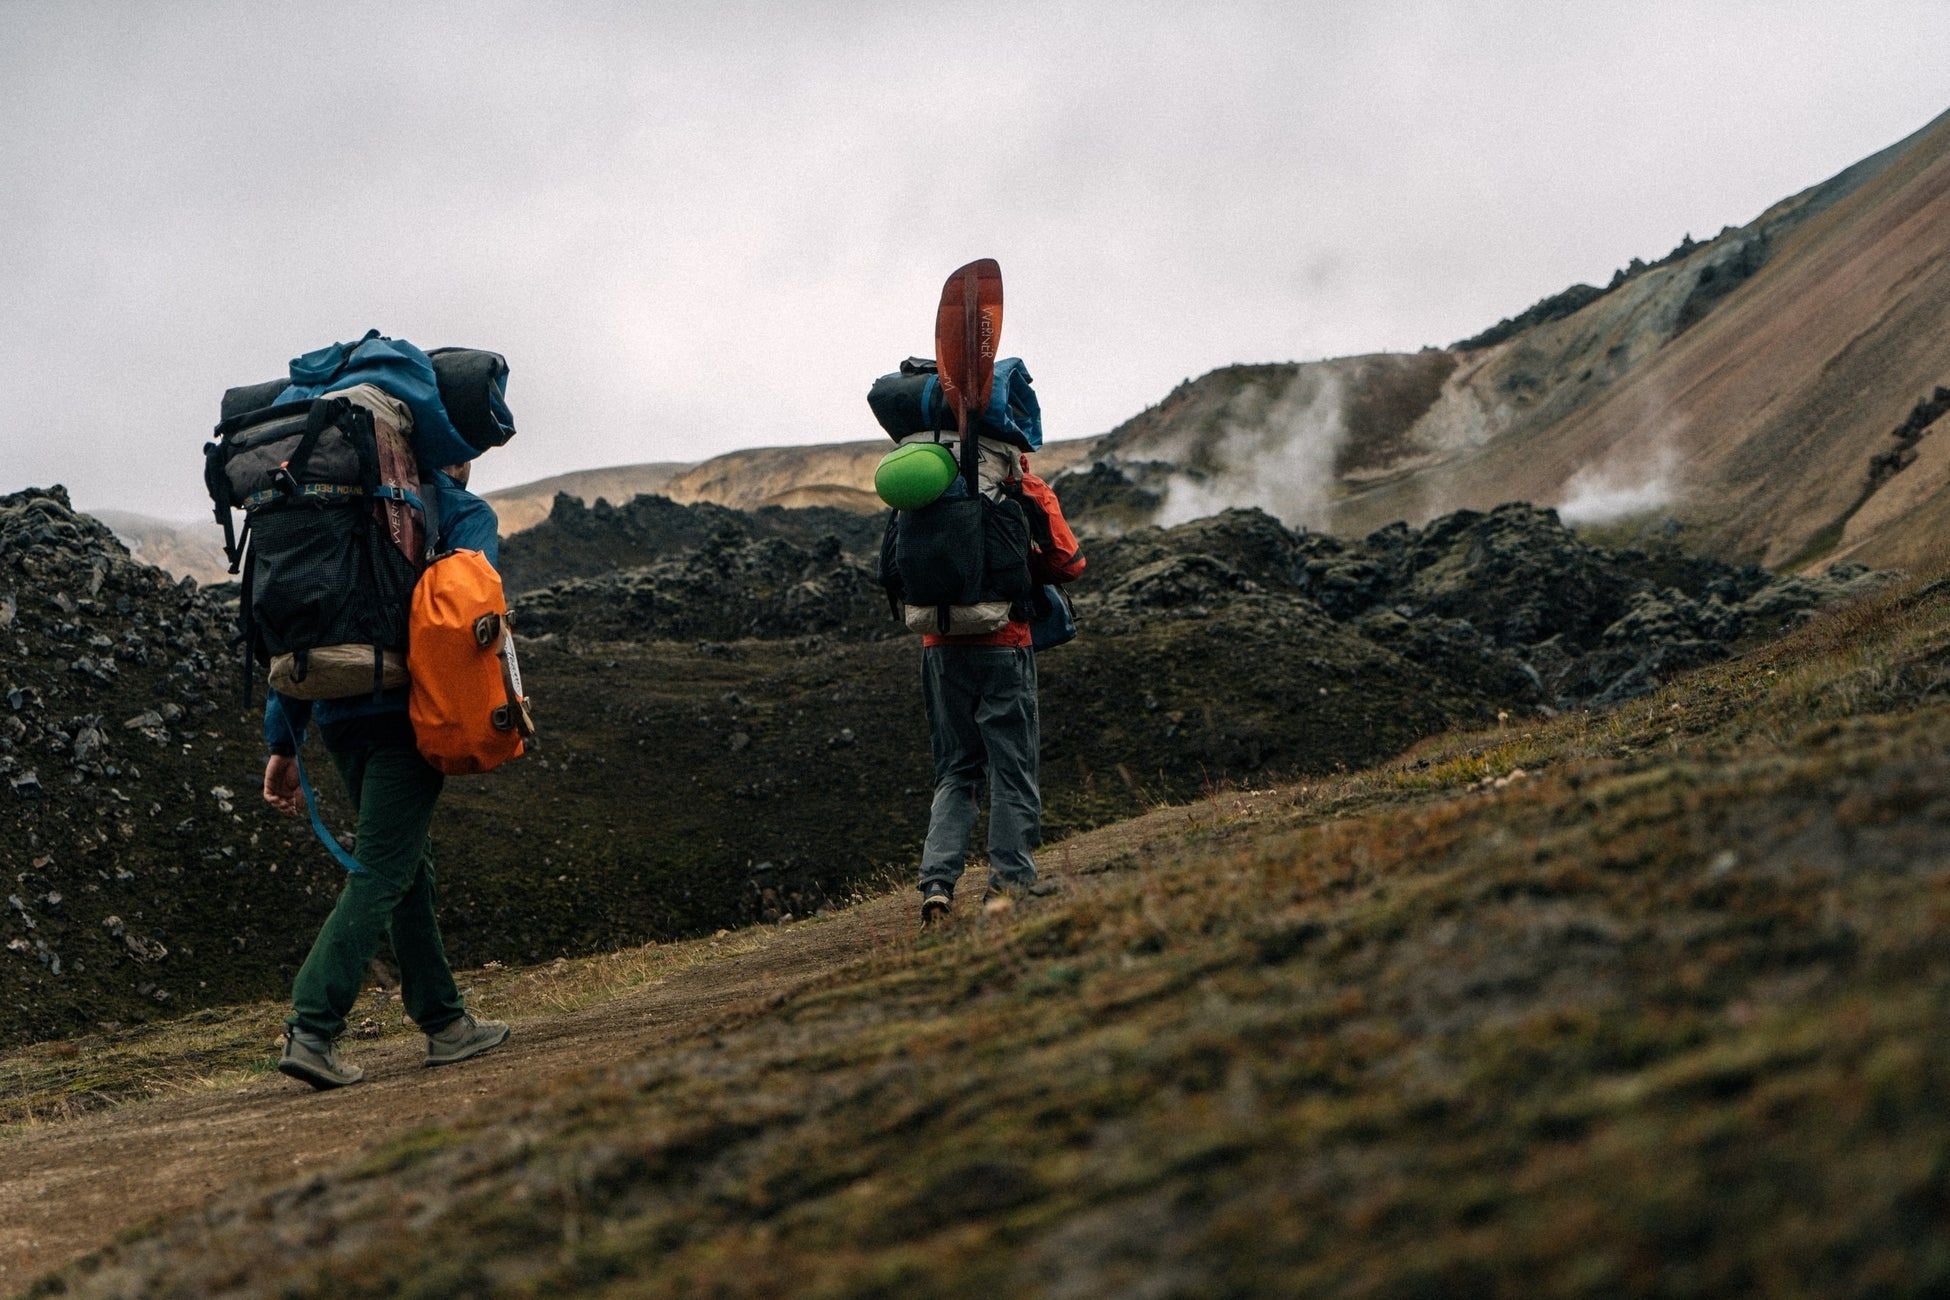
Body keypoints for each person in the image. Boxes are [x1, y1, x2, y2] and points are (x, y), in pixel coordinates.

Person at [263, 459, 509, 1089]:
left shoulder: (334, 508)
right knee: (383, 868)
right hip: (407, 713)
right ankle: (312, 1026)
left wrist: (283, 742)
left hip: (337, 712)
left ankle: (445, 1023)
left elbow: (303, 626)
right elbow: (467, 613)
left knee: (406, 866)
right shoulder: (456, 510)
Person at [917, 452, 1085, 925]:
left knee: (956, 769)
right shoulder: (1020, 483)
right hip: (1004, 644)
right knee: (1012, 769)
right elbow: (1069, 563)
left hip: (938, 646)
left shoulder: (921, 481)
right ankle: (1006, 888)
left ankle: (937, 886)